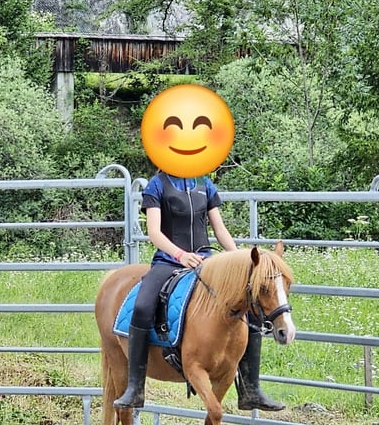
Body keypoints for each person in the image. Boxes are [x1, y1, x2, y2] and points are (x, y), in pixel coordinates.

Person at [113, 171, 285, 412]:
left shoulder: (205, 184)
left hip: (206, 261)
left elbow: (219, 229)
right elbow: (154, 232)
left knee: (250, 303)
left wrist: (240, 258)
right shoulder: (156, 185)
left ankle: (251, 389)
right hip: (168, 261)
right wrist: (180, 255)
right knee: (142, 306)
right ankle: (135, 387)